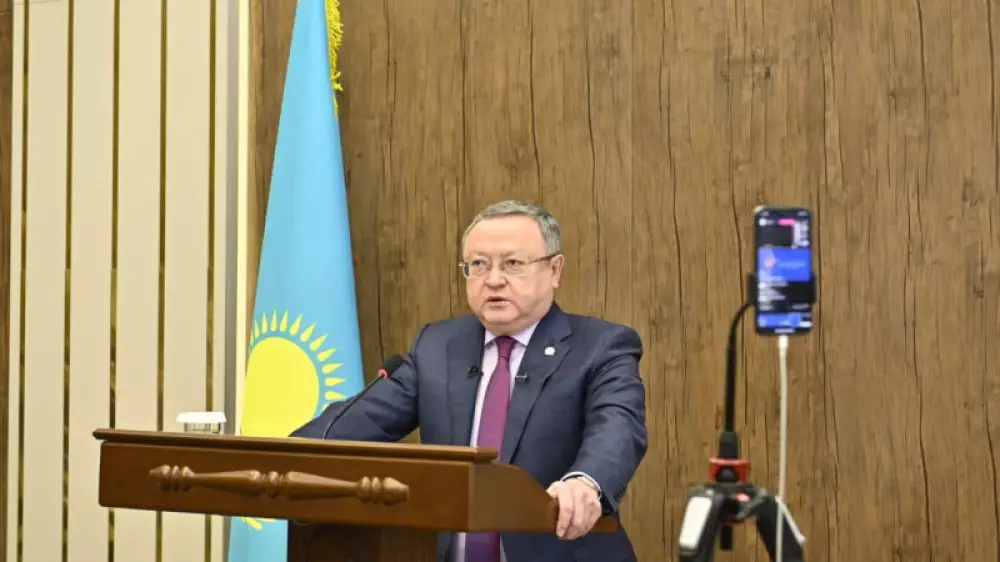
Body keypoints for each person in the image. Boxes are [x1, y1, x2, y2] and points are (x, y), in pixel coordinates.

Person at [292, 200, 648, 562]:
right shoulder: (437, 346)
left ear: (554, 270)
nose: (493, 279)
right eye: (479, 264)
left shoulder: (602, 346)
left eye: (513, 263)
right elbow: (360, 422)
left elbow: (617, 428)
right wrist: (285, 458)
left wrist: (586, 482)